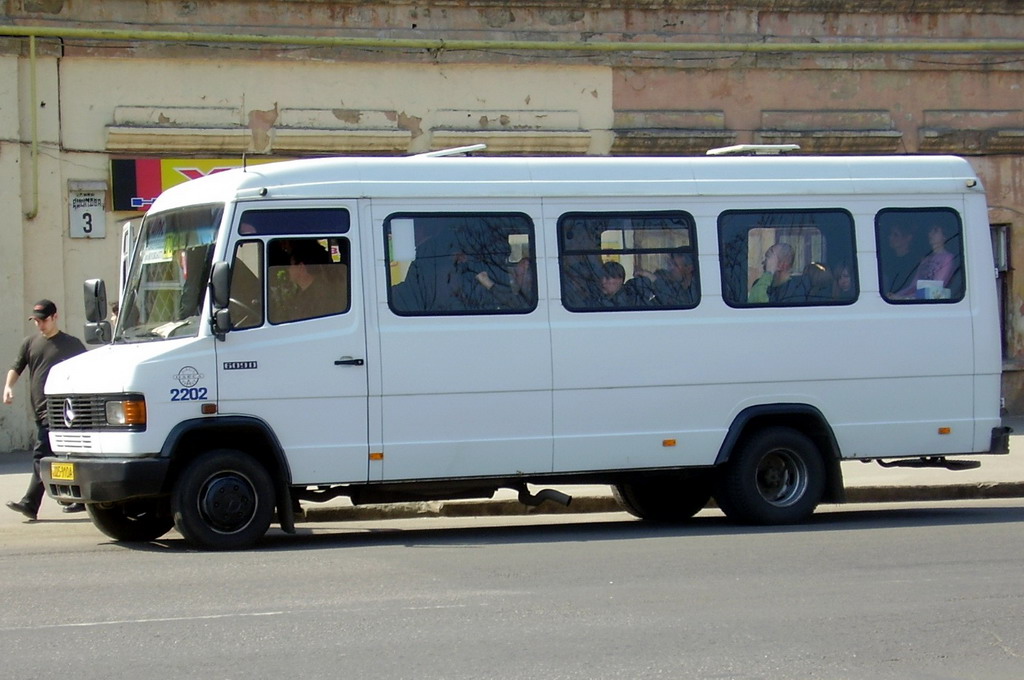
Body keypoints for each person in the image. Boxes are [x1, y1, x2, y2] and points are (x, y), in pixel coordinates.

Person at [5, 300, 87, 521]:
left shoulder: (71, 344)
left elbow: (86, 372)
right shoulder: (30, 343)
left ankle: (30, 504)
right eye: (36, 321)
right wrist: (8, 387)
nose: (39, 325)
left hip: (64, 412)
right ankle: (76, 499)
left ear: (55, 317)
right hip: (41, 411)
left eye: (43, 320)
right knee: (62, 457)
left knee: (42, 455)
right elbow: (17, 367)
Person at [894, 222, 958, 299]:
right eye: (930, 231)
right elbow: (914, 285)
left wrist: (903, 298)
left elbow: (936, 288)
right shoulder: (926, 259)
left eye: (935, 231)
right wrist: (897, 295)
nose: (930, 234)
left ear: (944, 236)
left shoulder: (948, 258)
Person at [882, 223, 920, 297]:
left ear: (908, 238)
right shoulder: (888, 259)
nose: (890, 237)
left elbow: (912, 286)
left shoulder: (914, 262)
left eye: (895, 235)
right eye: (890, 234)